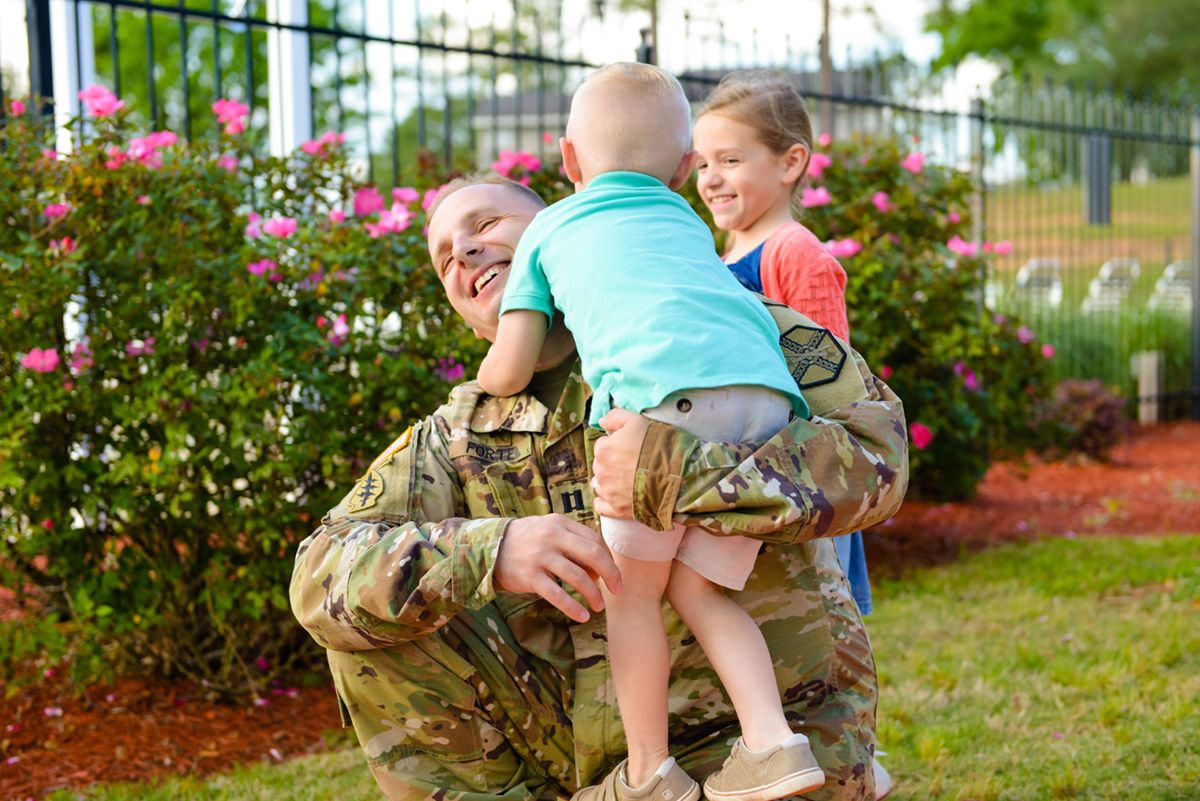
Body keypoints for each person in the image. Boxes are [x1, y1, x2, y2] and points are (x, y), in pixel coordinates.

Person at [289, 173, 909, 801]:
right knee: (370, 619)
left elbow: (877, 459)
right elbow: (318, 573)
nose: (465, 253)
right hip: (578, 770)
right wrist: (489, 550)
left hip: (751, 753)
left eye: (483, 225)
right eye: (446, 257)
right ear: (470, 321)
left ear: (564, 229)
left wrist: (681, 468)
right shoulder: (454, 437)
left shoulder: (726, 323)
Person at [476, 62, 821, 801]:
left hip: (662, 410)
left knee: (634, 595)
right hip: (764, 407)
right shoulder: (687, 221)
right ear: (684, 167)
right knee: (699, 589)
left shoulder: (549, 225)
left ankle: (647, 773)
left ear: (568, 160)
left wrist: (478, 379)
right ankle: (773, 741)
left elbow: (509, 369)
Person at [692, 72, 887, 798]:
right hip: (752, 471)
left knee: (821, 634)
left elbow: (827, 376)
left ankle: (854, 764)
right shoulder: (723, 252)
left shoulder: (793, 252)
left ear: (791, 161)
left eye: (732, 159)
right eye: (704, 161)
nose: (712, 177)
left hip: (799, 476)